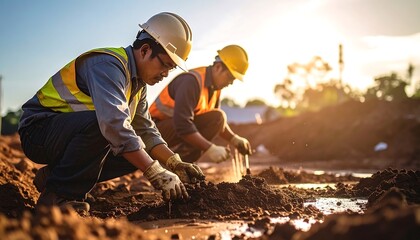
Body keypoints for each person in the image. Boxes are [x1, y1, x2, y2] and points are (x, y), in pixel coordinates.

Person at [18, 12, 205, 212]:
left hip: (64, 136)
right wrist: (154, 172)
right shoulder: (108, 65)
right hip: (38, 131)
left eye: (171, 68)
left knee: (140, 152)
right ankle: (57, 198)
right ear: (144, 50)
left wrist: (173, 162)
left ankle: (54, 177)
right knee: (111, 131)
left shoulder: (138, 86)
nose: (166, 74)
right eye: (165, 64)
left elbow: (146, 131)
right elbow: (113, 123)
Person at [149, 45, 252, 164]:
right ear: (218, 67)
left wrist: (234, 139)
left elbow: (216, 121)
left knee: (218, 117)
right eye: (230, 77)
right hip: (150, 132)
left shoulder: (215, 89)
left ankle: (184, 167)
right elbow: (182, 125)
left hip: (170, 130)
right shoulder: (191, 81)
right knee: (211, 119)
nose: (230, 83)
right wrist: (210, 148)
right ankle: (177, 166)